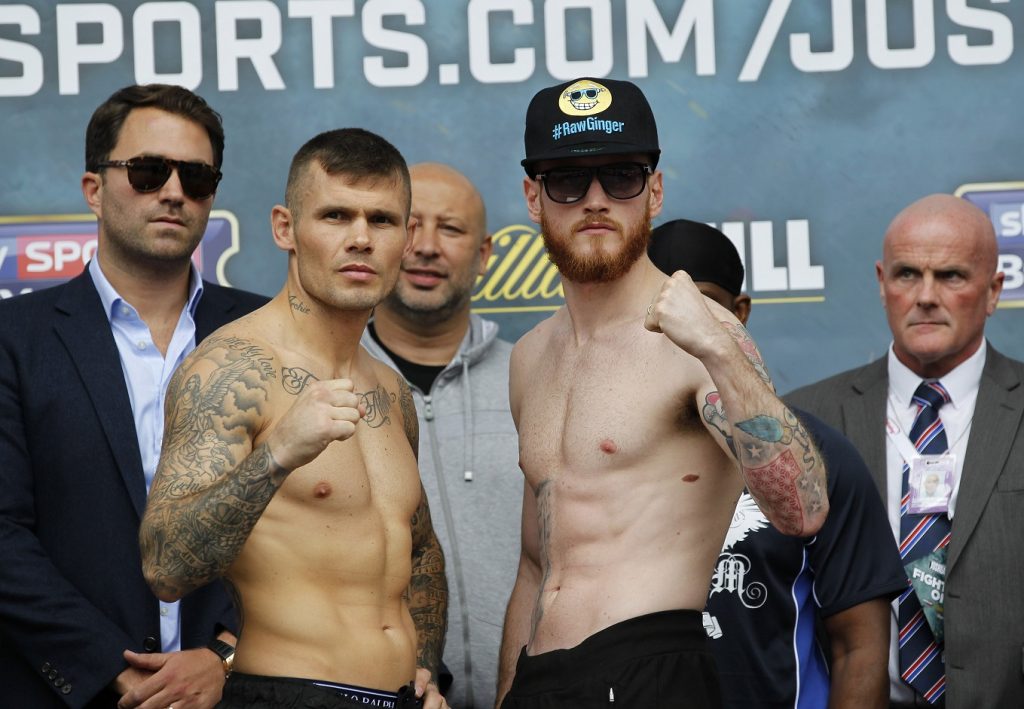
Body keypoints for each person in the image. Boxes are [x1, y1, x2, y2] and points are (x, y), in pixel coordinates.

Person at [496, 77, 829, 709]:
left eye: (620, 176)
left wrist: (719, 350)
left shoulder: (704, 336)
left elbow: (803, 511)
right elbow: (535, 567)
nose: (596, 200)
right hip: (540, 680)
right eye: (569, 181)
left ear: (653, 190)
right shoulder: (529, 357)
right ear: (534, 198)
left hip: (652, 669)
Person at [138, 128, 449, 709]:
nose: (360, 238)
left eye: (381, 221)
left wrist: (426, 667)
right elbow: (166, 564)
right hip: (289, 692)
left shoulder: (387, 388)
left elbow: (418, 549)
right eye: (335, 215)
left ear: (406, 239)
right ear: (286, 227)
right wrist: (277, 454)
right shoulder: (232, 369)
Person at [0, 84, 267, 708]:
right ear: (94, 189)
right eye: (148, 172)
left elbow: (316, 526)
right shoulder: (14, 339)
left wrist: (227, 655)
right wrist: (111, 669)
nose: (173, 192)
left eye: (196, 178)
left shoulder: (269, 334)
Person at [649, 218, 907, 708]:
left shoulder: (819, 457)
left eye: (702, 308)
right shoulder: (606, 458)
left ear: (739, 312)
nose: (682, 332)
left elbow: (860, 646)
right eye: (662, 312)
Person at [787, 194, 1024, 708]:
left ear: (994, 290)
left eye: (953, 276)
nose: (926, 296)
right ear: (881, 282)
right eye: (907, 274)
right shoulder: (803, 421)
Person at [360, 162, 521, 708]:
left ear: (484, 253)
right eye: (407, 226)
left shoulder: (536, 378)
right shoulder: (328, 384)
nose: (426, 247)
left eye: (451, 229)